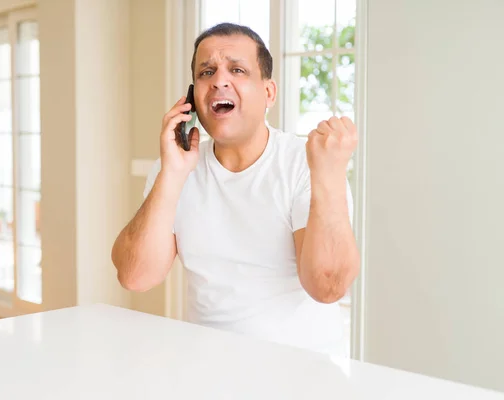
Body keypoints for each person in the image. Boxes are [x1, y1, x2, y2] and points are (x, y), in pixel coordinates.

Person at [111, 22, 360, 356]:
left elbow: (328, 287)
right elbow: (134, 276)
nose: (219, 81)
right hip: (210, 368)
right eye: (206, 72)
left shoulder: (307, 164)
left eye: (237, 70)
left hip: (302, 373)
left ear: (268, 92)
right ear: (192, 97)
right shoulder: (176, 168)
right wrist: (171, 172)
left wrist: (328, 176)